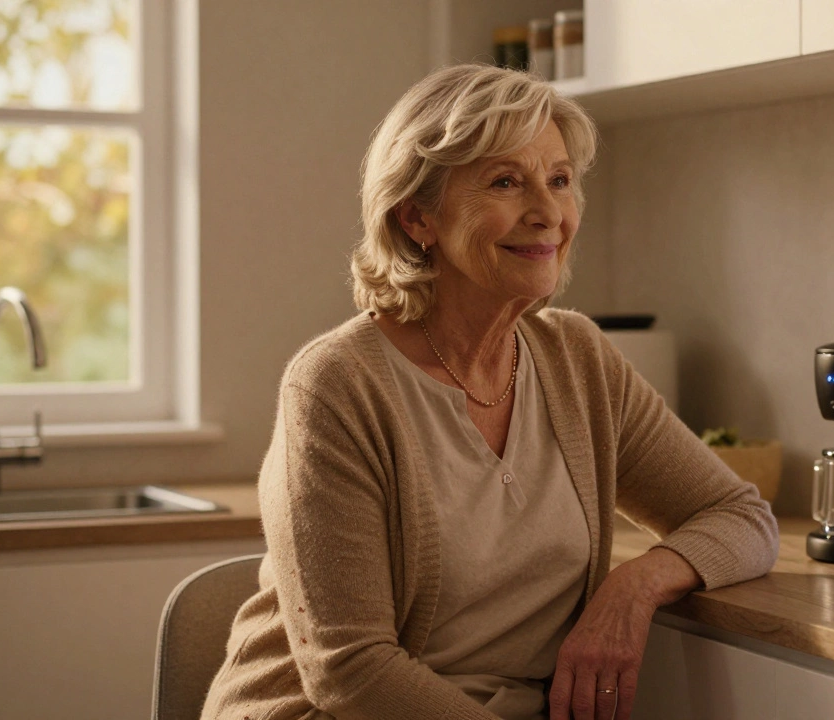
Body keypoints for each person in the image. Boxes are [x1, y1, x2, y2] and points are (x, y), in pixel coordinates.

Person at [199, 64, 779, 720]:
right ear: (417, 218)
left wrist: (633, 585)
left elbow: (741, 516)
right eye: (506, 182)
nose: (548, 214)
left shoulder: (577, 359)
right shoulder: (336, 386)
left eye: (559, 180)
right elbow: (350, 670)